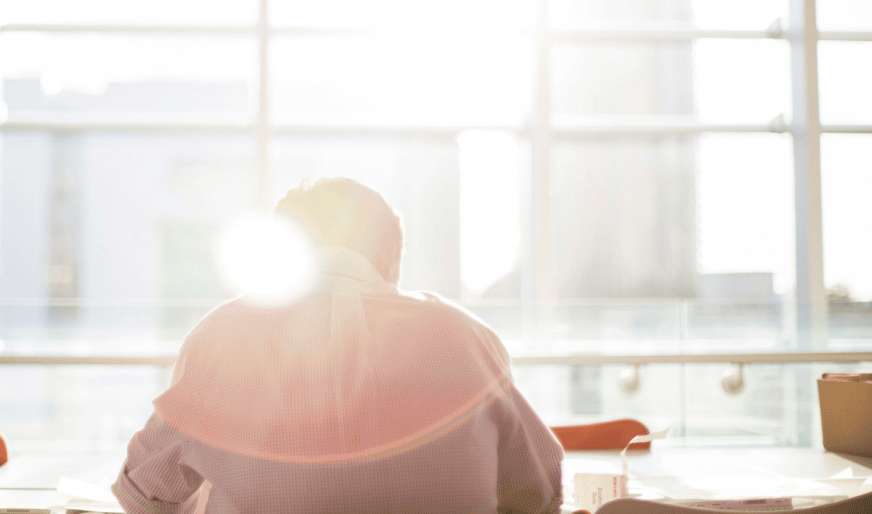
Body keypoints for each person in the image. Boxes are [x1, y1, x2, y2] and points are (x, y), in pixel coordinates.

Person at [114, 178, 563, 514]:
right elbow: (541, 489)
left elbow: (144, 494)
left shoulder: (221, 336)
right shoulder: (465, 336)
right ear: (391, 259)